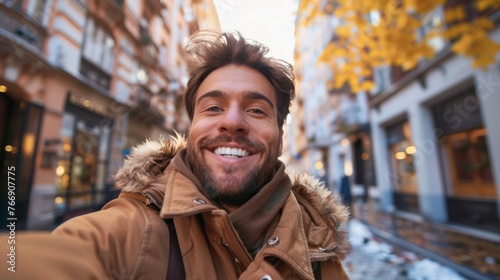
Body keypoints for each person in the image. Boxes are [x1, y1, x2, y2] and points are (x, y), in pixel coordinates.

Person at [1, 30, 351, 279]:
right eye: (213, 107)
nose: (232, 122)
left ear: (280, 134)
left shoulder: (319, 245)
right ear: (191, 129)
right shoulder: (136, 230)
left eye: (257, 110)